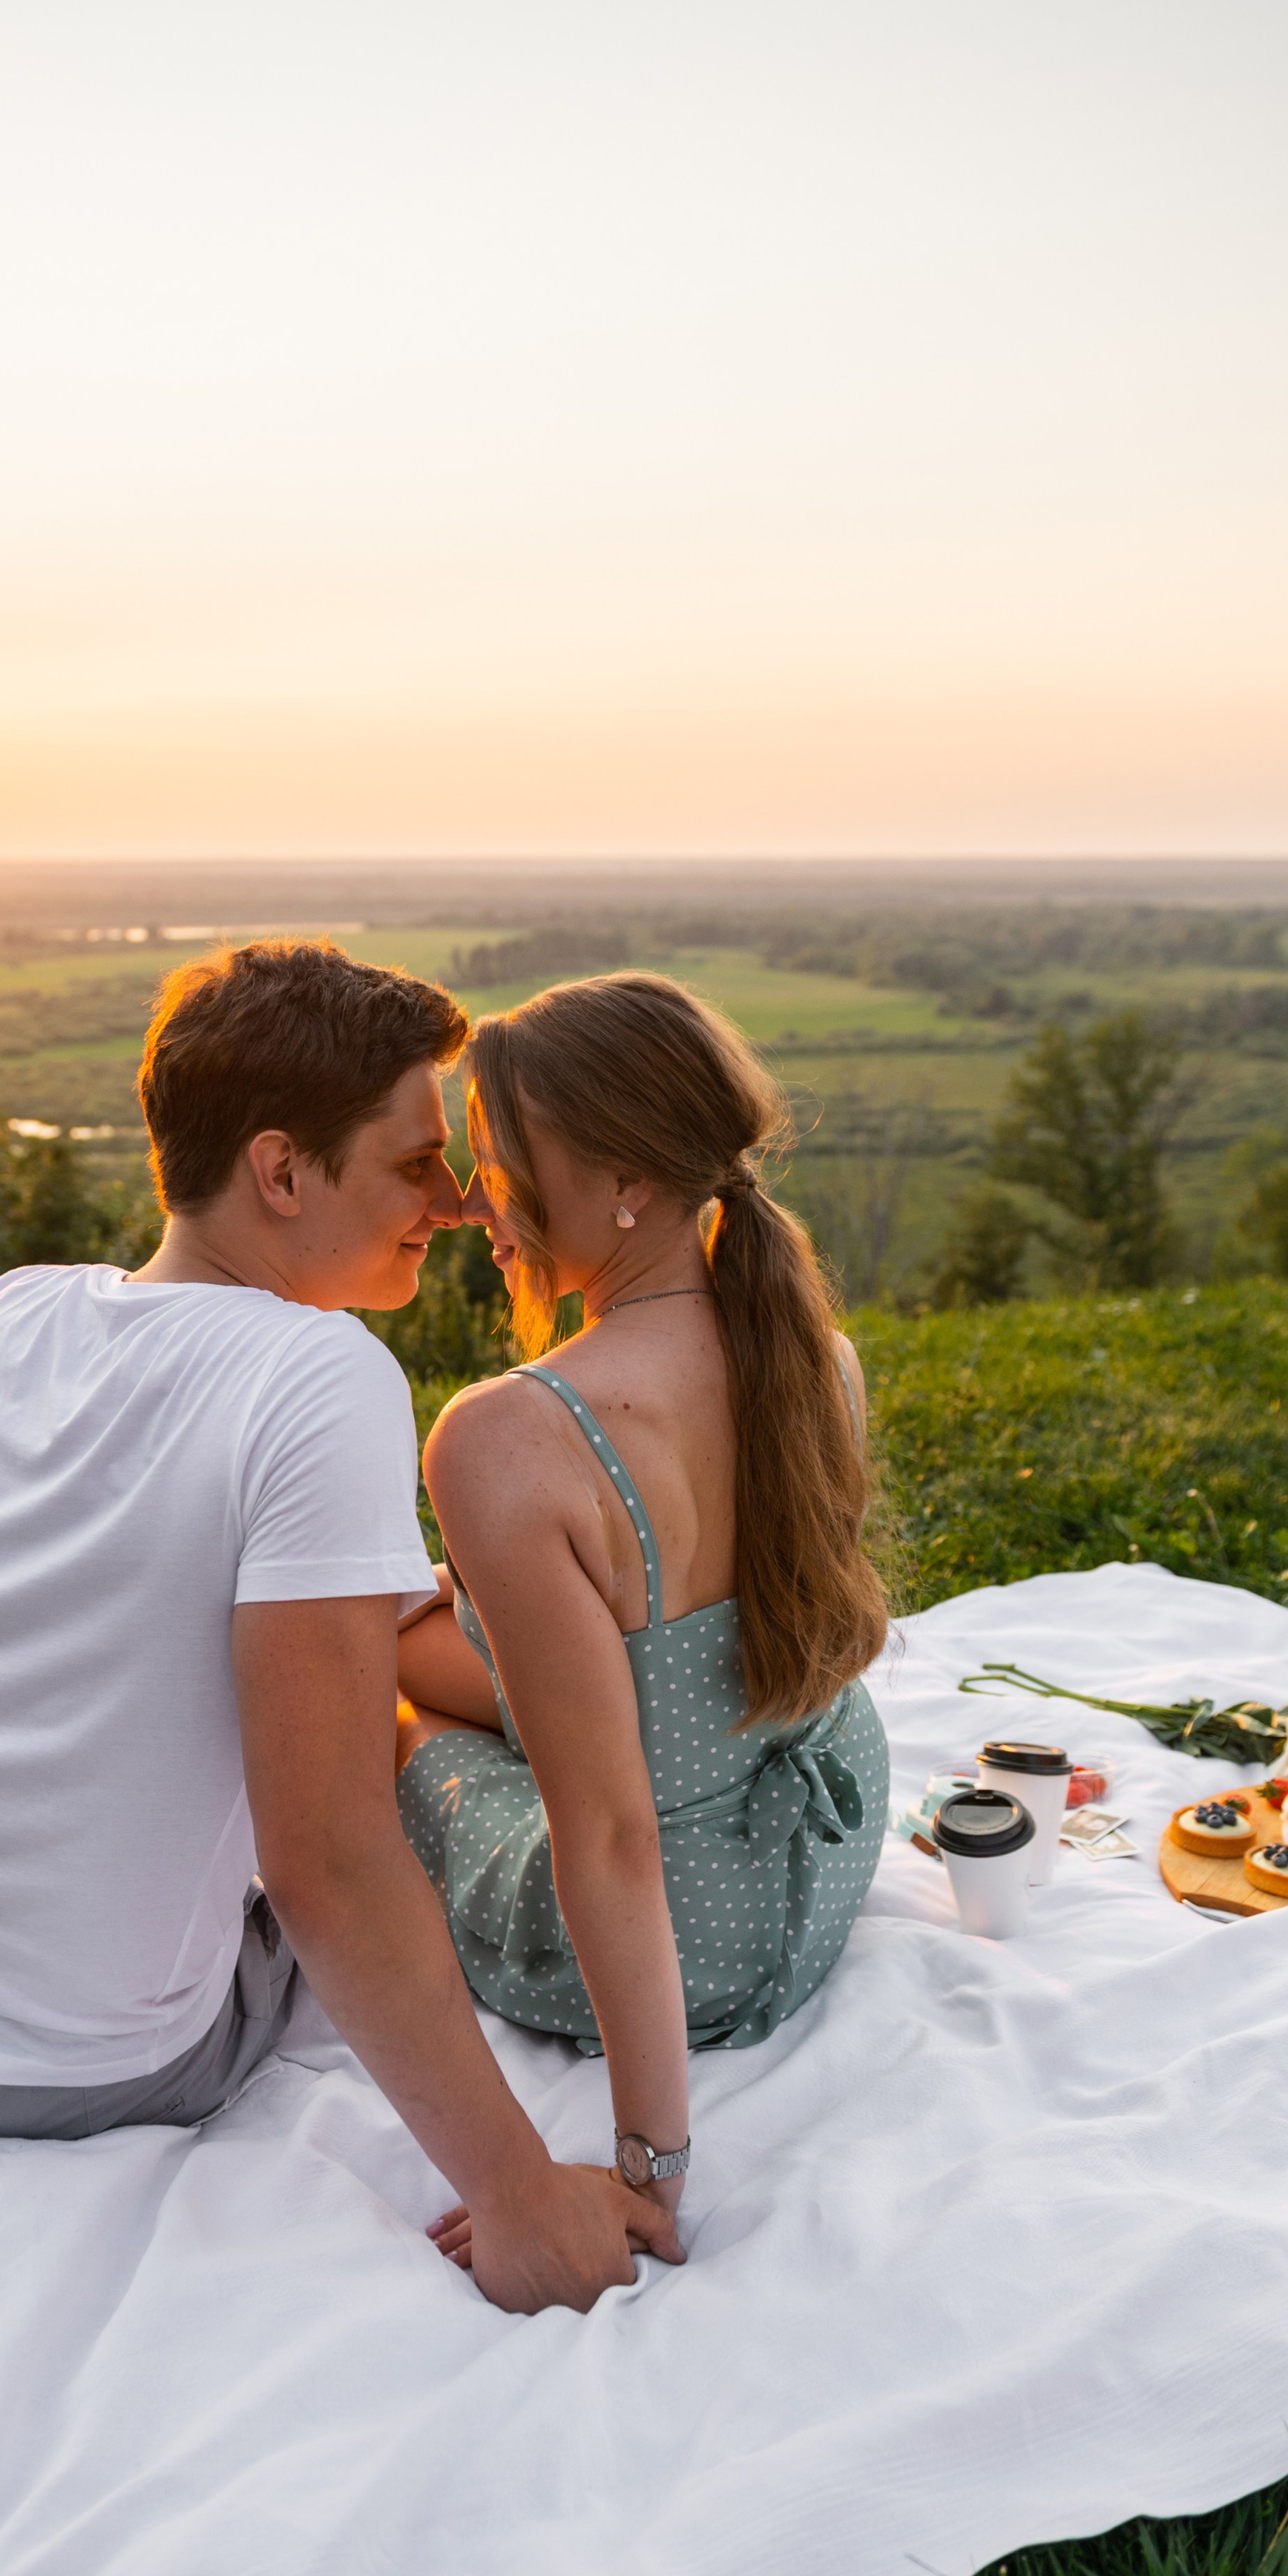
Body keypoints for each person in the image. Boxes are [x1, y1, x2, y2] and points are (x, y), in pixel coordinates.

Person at [0, 939, 682, 2316]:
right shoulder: (322, 1375)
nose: (453, 1198)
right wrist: (518, 2193)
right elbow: (322, 1861)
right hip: (75, 2062)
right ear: (281, 1171)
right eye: (413, 1161)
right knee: (360, 1770)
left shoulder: (16, 1310)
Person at [395, 973, 890, 2270]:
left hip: (695, 1937)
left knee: (396, 1716)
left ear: (622, 1182)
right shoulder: (815, 1357)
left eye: (496, 1167)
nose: (465, 1205)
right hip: (827, 1841)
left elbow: (609, 1840)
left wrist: (648, 2168)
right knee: (467, 1655)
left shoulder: (506, 1438)